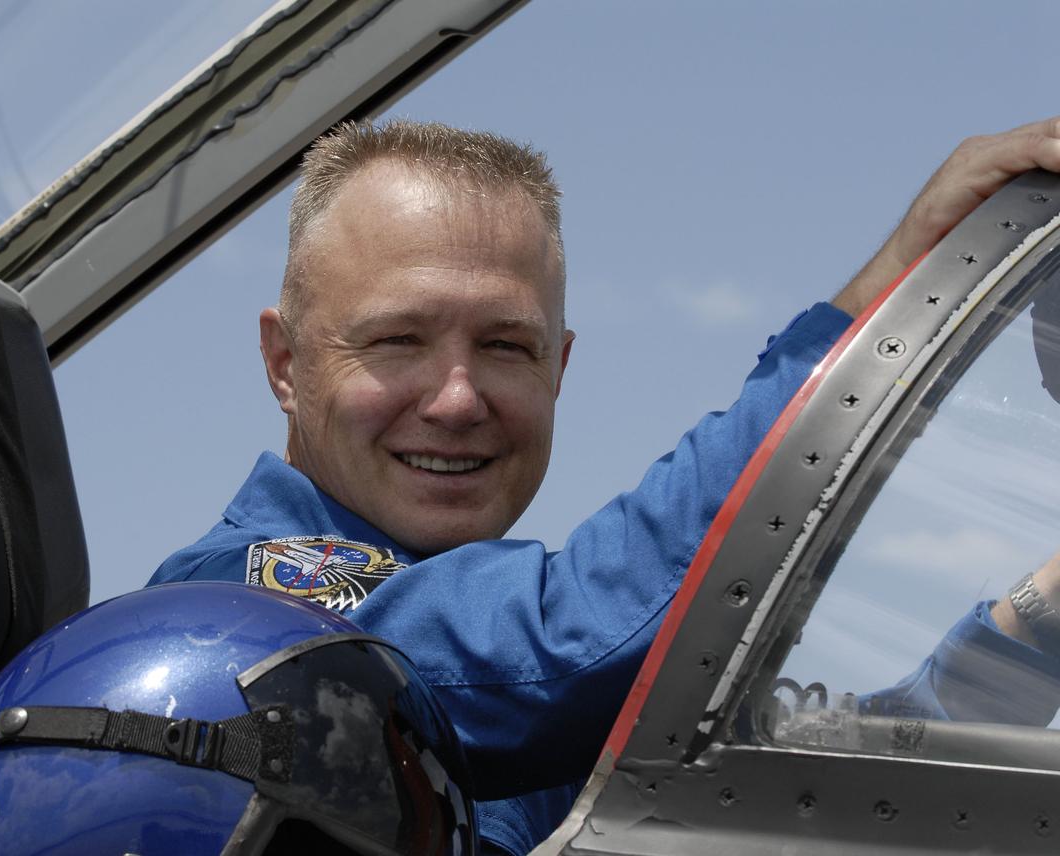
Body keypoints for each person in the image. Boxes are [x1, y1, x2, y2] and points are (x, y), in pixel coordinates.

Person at [148, 118, 1060, 854]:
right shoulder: (236, 621)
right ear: (284, 364)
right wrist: (879, 305)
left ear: (560, 368)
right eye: (397, 341)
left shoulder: (520, 721)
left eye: (506, 346)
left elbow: (797, 789)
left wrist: (1036, 621)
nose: (459, 399)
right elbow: (565, 642)